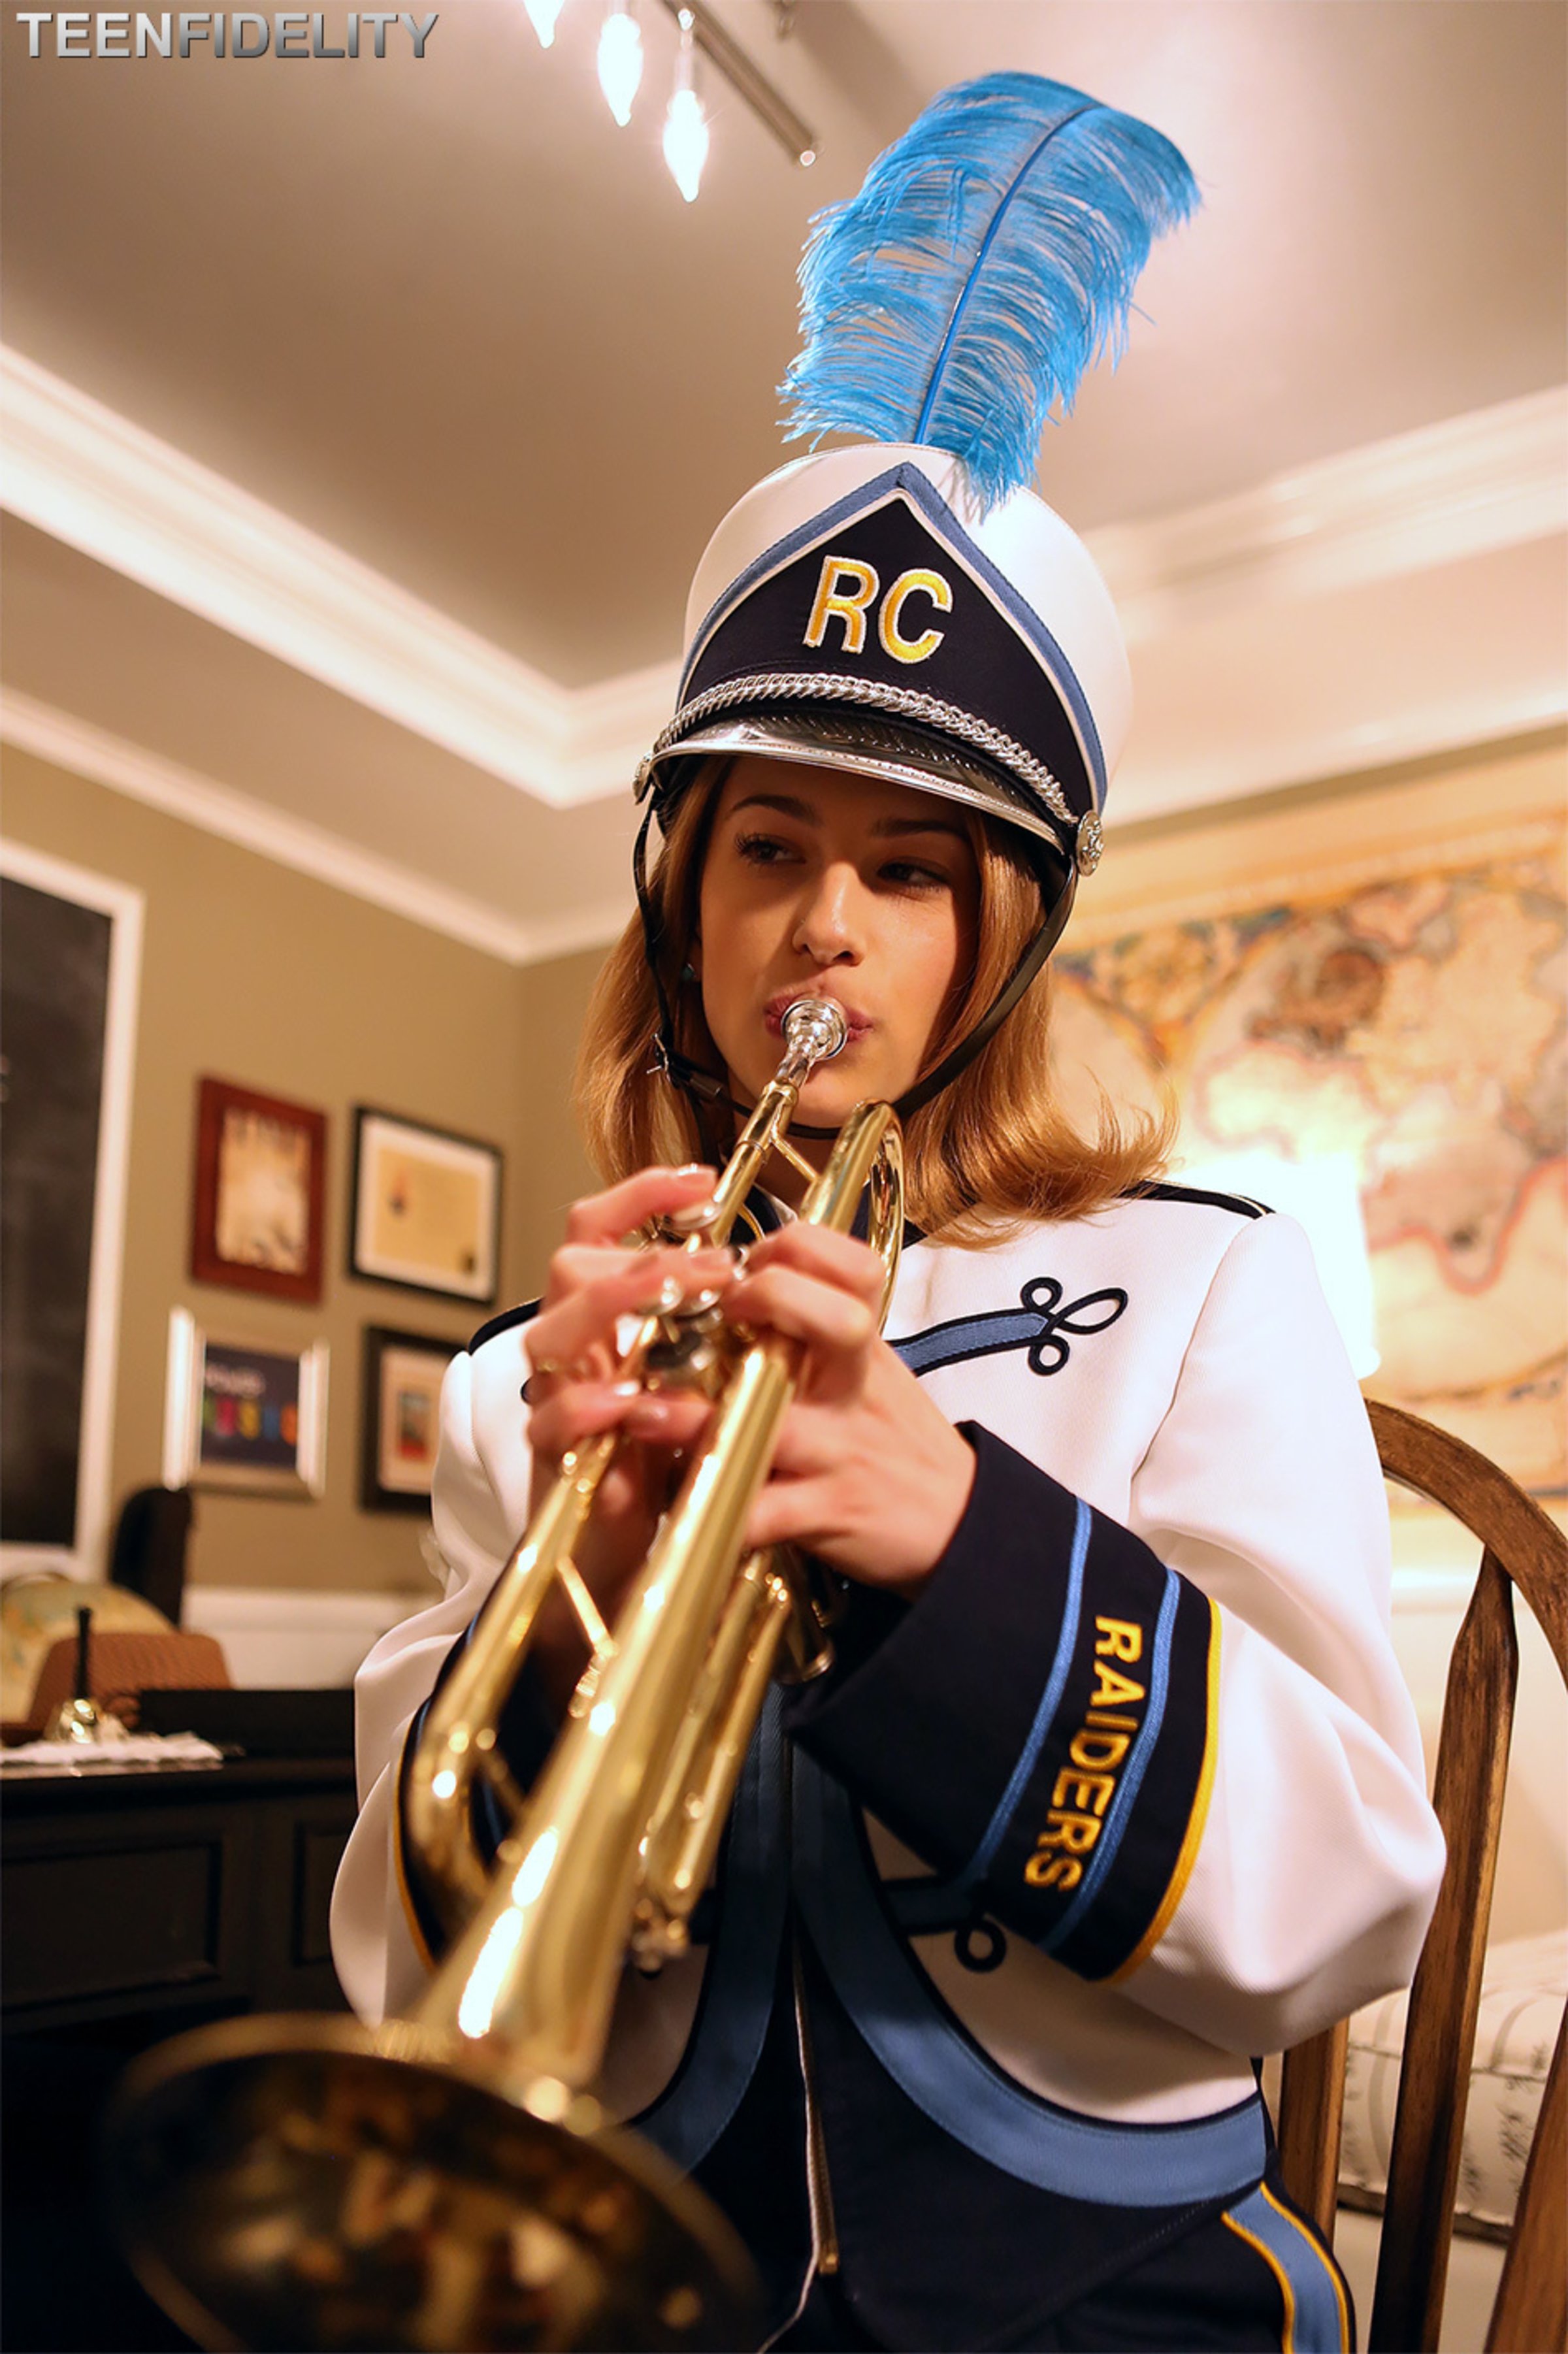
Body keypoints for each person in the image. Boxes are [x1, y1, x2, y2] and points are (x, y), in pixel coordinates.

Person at [333, 72, 1445, 2353]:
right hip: (653, 2257)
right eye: (768, 844)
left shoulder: (1198, 1282)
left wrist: (959, 1543)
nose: (826, 921)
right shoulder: (521, 1382)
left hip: (1106, 2275)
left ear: (996, 950)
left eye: (909, 870)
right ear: (682, 900)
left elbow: (1349, 1882)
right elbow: (397, 1950)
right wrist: (571, 1585)